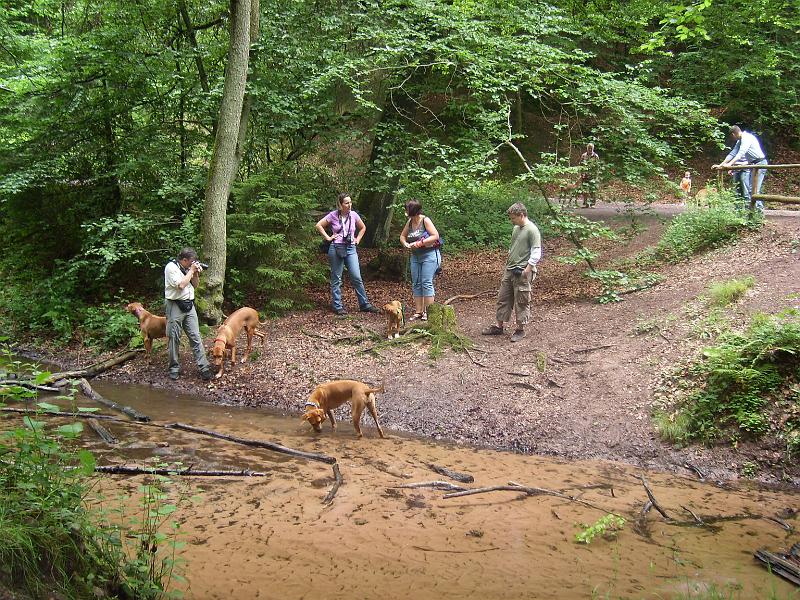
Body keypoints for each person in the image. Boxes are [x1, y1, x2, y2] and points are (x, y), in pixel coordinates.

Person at [481, 202, 542, 343]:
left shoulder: (532, 230)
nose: (512, 221)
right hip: (510, 269)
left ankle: (520, 329)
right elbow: (513, 247)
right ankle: (499, 326)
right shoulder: (516, 228)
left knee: (522, 300)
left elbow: (536, 252)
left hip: (522, 271)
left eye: (513, 218)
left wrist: (527, 270)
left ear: (521, 215)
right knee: (503, 298)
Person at [315, 193, 380, 316]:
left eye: (350, 202)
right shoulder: (333, 215)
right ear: (340, 204)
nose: (349, 205)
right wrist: (328, 238)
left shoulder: (354, 215)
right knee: (336, 278)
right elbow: (319, 225)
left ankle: (364, 304)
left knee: (356, 276)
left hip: (350, 248)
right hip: (336, 247)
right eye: (346, 203)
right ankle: (337, 305)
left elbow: (363, 228)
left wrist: (358, 239)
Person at [164, 247, 213, 381]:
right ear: (184, 260)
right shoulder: (171, 268)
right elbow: (181, 285)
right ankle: (174, 368)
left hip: (189, 305)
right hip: (175, 305)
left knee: (195, 336)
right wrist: (191, 271)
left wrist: (195, 274)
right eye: (191, 261)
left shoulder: (188, 268)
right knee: (174, 337)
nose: (193, 264)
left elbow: (195, 285)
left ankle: (204, 368)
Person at [400, 200, 441, 321]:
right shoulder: (409, 222)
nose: (405, 212)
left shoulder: (425, 220)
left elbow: (435, 236)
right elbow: (402, 236)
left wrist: (419, 243)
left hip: (429, 256)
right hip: (415, 257)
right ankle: (419, 311)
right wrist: (405, 244)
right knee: (416, 283)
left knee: (426, 282)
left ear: (412, 211)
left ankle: (429, 312)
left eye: (407, 209)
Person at [713, 125, 767, 210]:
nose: (732, 139)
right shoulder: (740, 141)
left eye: (731, 137)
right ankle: (752, 213)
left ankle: (758, 213)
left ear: (733, 134)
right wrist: (721, 164)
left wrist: (730, 164)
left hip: (760, 164)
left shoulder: (746, 138)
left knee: (754, 190)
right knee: (751, 189)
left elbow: (741, 153)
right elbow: (733, 153)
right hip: (753, 165)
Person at [578, 143, 600, 207]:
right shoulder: (583, 155)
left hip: (592, 175)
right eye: (589, 148)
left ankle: (593, 203)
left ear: (593, 149)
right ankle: (586, 203)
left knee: (592, 189)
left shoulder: (595, 156)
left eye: (591, 148)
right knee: (585, 189)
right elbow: (580, 165)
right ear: (587, 148)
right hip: (585, 174)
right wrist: (581, 174)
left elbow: (597, 166)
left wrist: (596, 175)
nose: (590, 149)